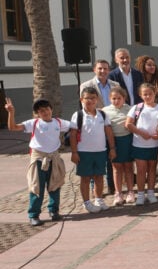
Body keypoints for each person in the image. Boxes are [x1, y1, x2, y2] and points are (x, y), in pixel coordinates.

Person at [5, 97, 70, 226]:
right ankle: (34, 215)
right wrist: (11, 113)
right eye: (41, 111)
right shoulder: (33, 123)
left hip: (54, 158)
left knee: (55, 185)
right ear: (38, 113)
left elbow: (75, 125)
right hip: (39, 159)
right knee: (36, 187)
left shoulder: (59, 122)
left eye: (47, 109)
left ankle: (54, 211)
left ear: (51, 109)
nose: (45, 112)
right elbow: (13, 127)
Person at [70, 86, 116, 214]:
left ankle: (99, 199)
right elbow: (73, 134)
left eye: (93, 98)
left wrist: (112, 148)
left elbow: (109, 132)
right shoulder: (78, 115)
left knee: (99, 176)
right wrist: (74, 152)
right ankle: (86, 202)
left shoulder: (102, 114)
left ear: (97, 99)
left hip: (101, 151)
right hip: (84, 152)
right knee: (85, 178)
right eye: (87, 98)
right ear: (81, 99)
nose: (90, 101)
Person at [125, 83, 158, 206]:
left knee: (152, 169)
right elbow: (128, 124)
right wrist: (141, 133)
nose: (147, 96)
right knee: (141, 170)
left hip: (155, 144)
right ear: (140, 95)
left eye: (150, 94)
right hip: (139, 144)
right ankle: (140, 194)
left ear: (154, 93)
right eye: (145, 94)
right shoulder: (137, 108)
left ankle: (150, 193)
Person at [102, 87, 133, 206]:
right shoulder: (105, 111)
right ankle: (118, 192)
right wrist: (111, 147)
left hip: (127, 140)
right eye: (113, 98)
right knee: (116, 168)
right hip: (113, 141)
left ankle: (130, 191)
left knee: (129, 167)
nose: (116, 101)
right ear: (110, 99)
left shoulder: (129, 109)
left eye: (119, 98)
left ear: (124, 98)